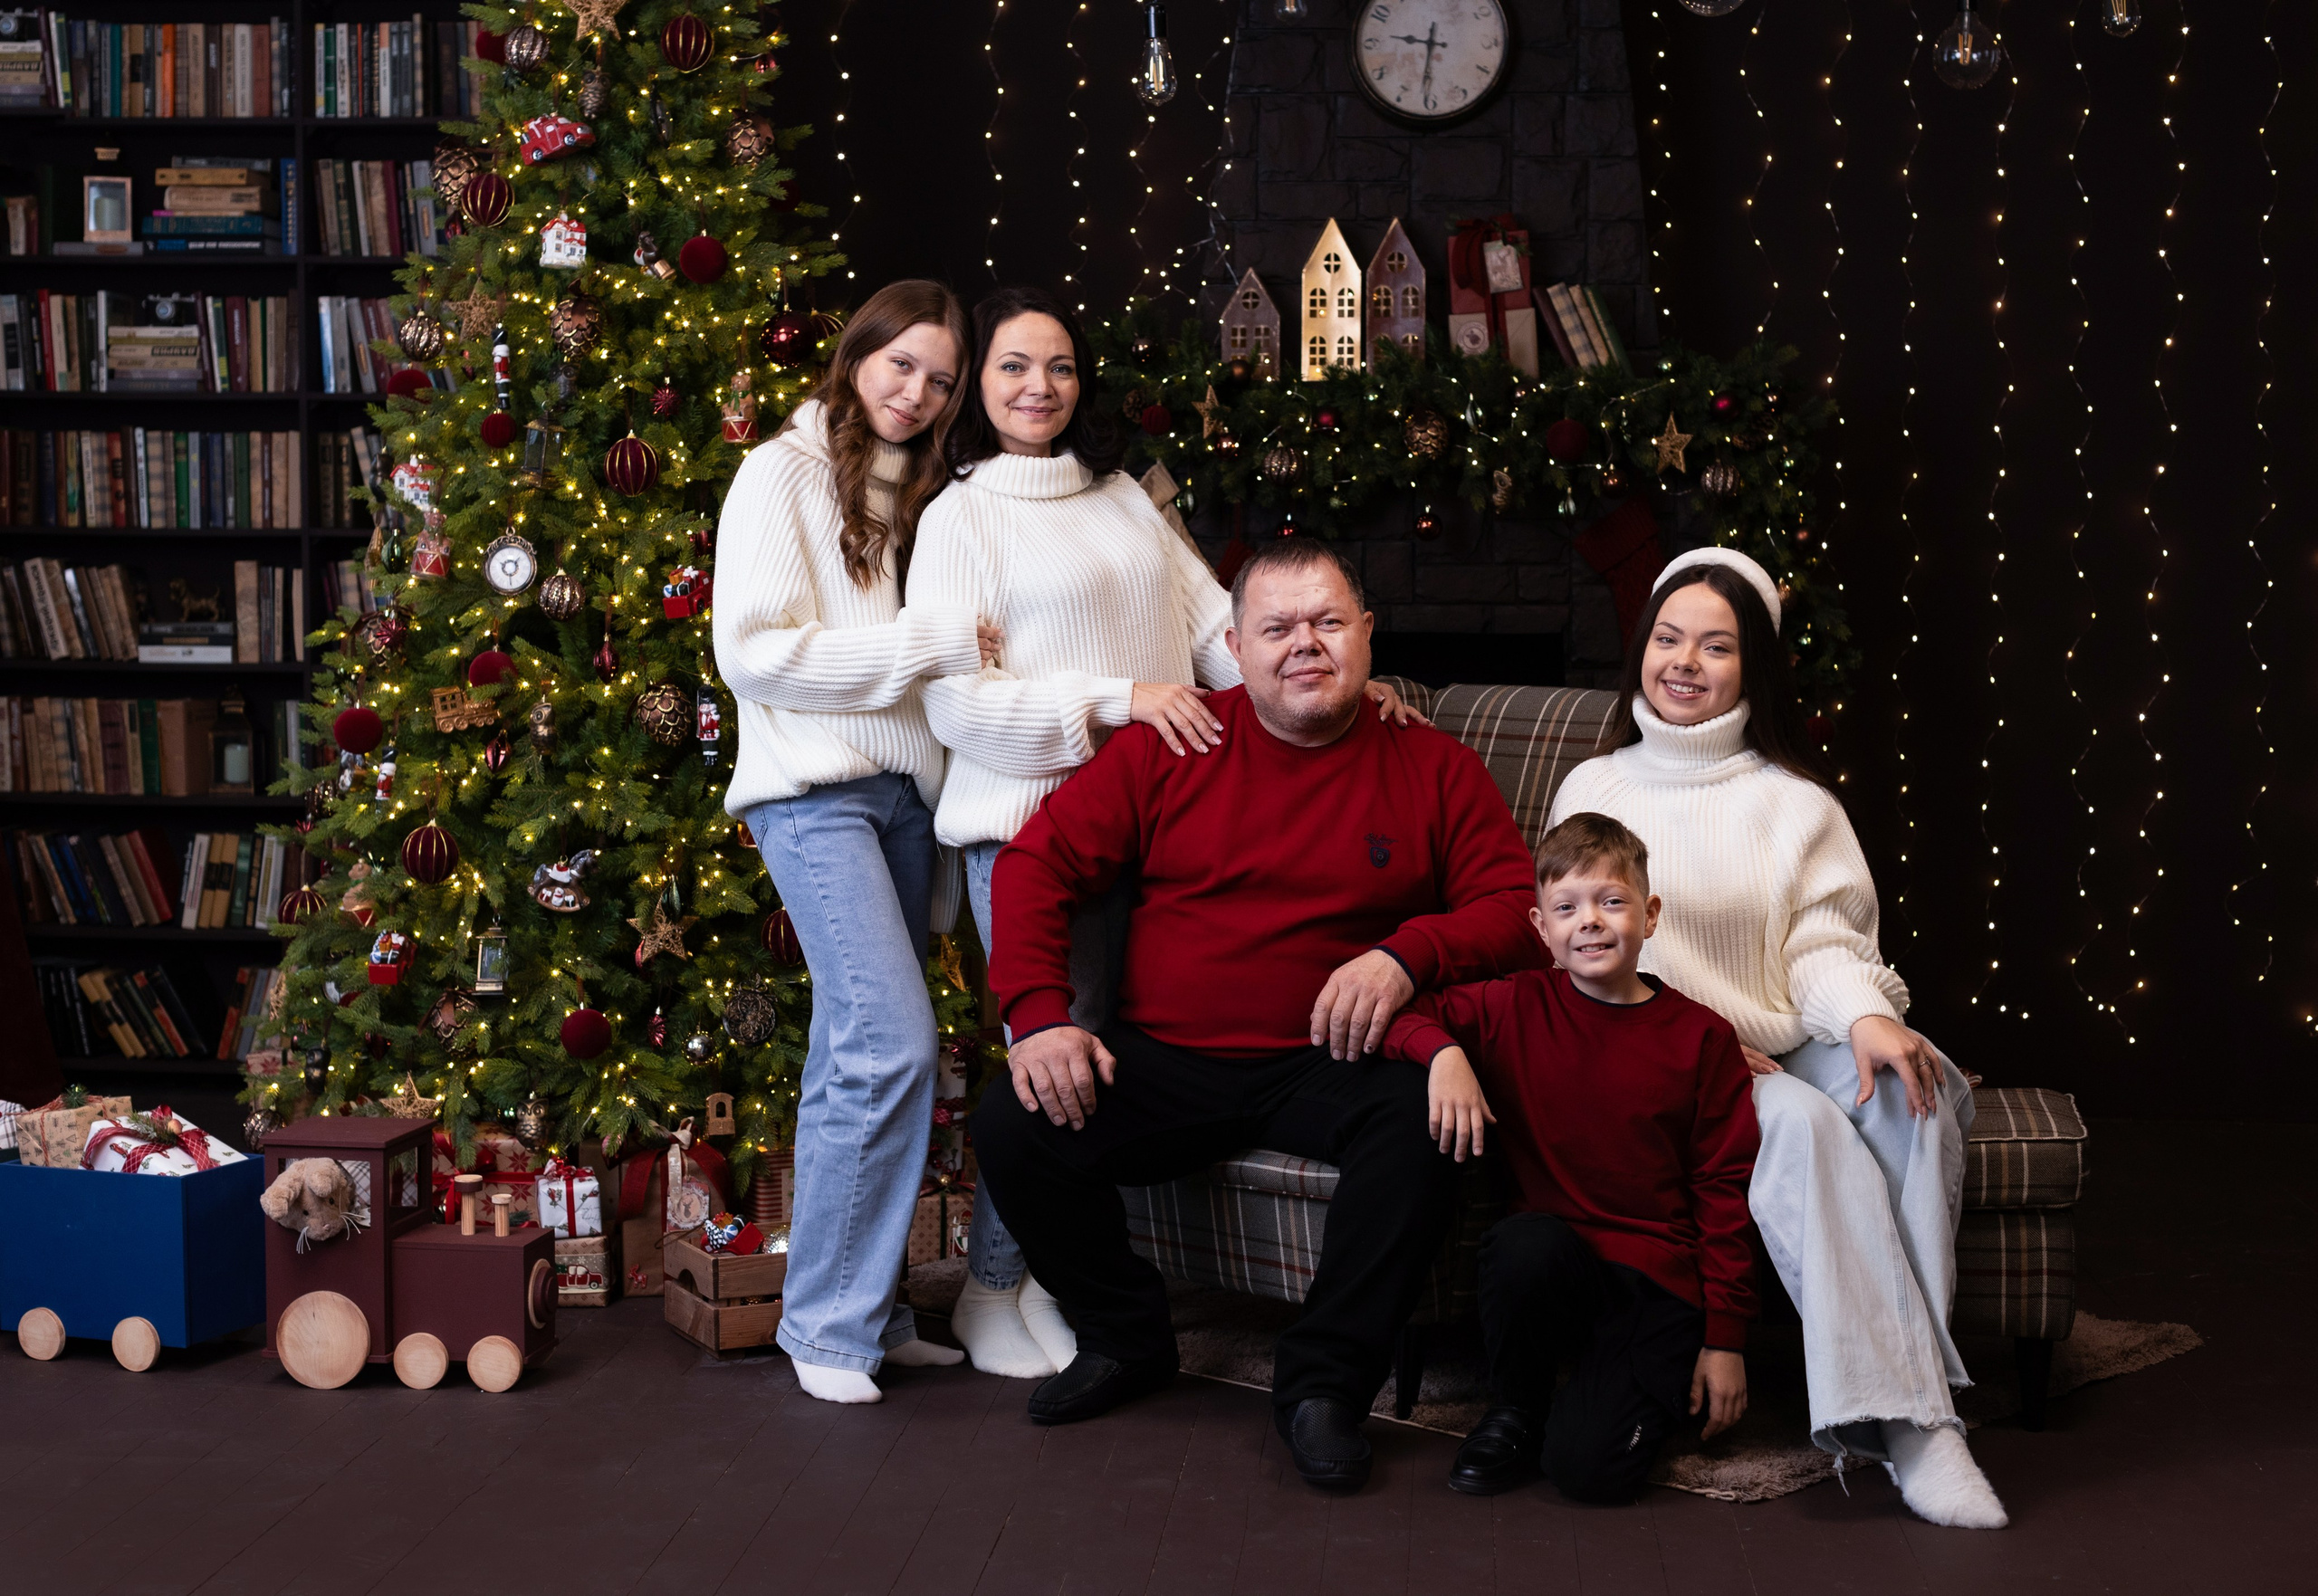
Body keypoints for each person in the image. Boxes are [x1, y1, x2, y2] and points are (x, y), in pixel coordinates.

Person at [911, 287, 1422, 1378]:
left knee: (1113, 1064)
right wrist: (1119, 698)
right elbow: (957, 706)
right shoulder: (958, 516)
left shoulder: (1122, 500)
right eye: (1010, 366)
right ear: (975, 386)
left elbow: (1220, 629)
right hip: (1031, 824)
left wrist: (1321, 694)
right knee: (1054, 1063)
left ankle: (1056, 1287)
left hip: (1154, 817)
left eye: (1057, 365)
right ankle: (995, 1290)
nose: (1037, 386)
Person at [971, 537, 1545, 1492]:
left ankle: (1322, 1384)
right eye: (1277, 627)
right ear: (1235, 647)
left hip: (1341, 1055)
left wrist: (1406, 955)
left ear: (1366, 634)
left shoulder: (1430, 762)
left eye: (1327, 621)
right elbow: (1036, 865)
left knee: (1425, 1128)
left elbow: (1511, 907)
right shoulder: (1173, 743)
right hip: (1169, 1053)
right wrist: (1038, 1014)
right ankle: (1125, 1336)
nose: (1303, 645)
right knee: (1013, 1119)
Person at [1547, 546, 2007, 1529]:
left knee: (1906, 1084)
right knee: (1799, 1123)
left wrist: (1869, 1018)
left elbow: (1820, 943)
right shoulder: (1596, 784)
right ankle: (1912, 1421)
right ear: (1640, 649)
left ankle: (1913, 1406)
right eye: (1667, 638)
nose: (1684, 661)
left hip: (1781, 1034)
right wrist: (1698, 1036)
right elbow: (1582, 943)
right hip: (1665, 1049)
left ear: (1751, 665)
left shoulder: (1798, 801)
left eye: (1715, 646)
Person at [712, 281, 1004, 1406]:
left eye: (939, 380)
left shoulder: (911, 489)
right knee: (893, 1044)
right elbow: (757, 652)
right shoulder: (778, 472)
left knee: (853, 1053)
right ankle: (826, 1326)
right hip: (814, 792)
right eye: (901, 367)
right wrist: (924, 644)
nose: (917, 394)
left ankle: (869, 1309)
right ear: (857, 355)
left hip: (900, 799)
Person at [1381, 812, 1758, 1503]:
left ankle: (1621, 1388)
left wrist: (1726, 1339)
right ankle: (1518, 1405)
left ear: (1650, 914)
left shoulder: (1705, 1038)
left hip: (1656, 1282)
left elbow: (1724, 1191)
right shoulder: (1513, 1007)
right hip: (1557, 1263)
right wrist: (1443, 1054)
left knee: (1589, 1472)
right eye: (1567, 907)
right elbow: (1405, 1009)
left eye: (1611, 901)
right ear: (1541, 928)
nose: (1590, 920)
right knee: (1522, 1243)